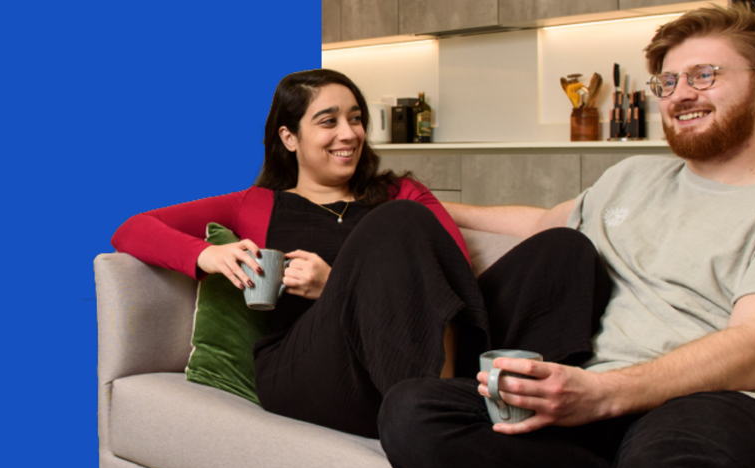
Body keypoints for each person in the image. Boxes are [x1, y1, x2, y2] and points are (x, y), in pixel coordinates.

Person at [378, 4, 755, 468]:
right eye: (667, 83)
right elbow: (541, 224)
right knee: (414, 410)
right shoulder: (631, 177)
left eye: (703, 76)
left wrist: (603, 394)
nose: (680, 95)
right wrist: (418, 205)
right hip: (593, 395)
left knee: (669, 454)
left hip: (720, 403)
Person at [111, 69, 491, 439]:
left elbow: (452, 269)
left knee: (548, 253)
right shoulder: (255, 205)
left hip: (394, 361)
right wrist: (206, 255)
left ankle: (439, 410)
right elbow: (132, 228)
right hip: (305, 365)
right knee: (399, 221)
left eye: (356, 118)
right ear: (289, 137)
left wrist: (334, 283)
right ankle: (438, 421)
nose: (349, 133)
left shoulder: (400, 195)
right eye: (329, 121)